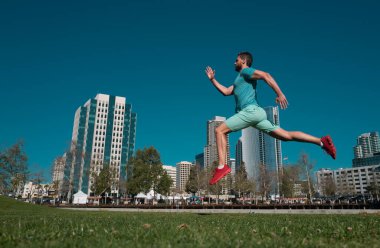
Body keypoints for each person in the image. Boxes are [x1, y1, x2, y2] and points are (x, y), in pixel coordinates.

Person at [205, 51, 336, 185]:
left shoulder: (246, 72)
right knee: (286, 136)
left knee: (219, 130)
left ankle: (222, 166)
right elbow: (226, 91)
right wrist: (212, 80)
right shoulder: (239, 80)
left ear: (244, 61)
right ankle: (321, 142)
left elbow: (265, 75)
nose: (234, 62)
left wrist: (280, 94)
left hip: (250, 111)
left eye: (236, 60)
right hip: (257, 114)